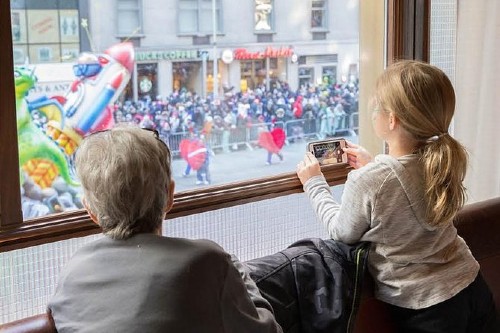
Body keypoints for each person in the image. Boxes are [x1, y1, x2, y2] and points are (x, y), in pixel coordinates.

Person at [296, 60, 498, 333]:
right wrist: (373, 165)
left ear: (391, 119)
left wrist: (315, 184)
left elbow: (341, 232)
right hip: (472, 285)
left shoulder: (371, 181)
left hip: (427, 308)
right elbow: (404, 187)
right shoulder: (441, 161)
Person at [48, 126, 282, 333]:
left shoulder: (71, 273)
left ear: (91, 211)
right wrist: (237, 271)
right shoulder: (206, 262)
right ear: (170, 195)